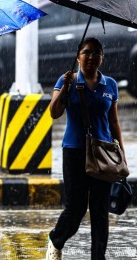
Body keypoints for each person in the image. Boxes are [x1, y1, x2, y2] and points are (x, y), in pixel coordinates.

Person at [46, 37, 125, 260]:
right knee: (76, 209)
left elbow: (114, 122)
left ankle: (98, 257)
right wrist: (64, 88)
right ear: (78, 56)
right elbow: (53, 112)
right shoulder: (67, 80)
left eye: (96, 53)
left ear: (103, 58)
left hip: (103, 153)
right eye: (87, 52)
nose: (91, 57)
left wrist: (121, 154)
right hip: (75, 151)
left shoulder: (110, 84)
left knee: (100, 212)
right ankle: (56, 239)